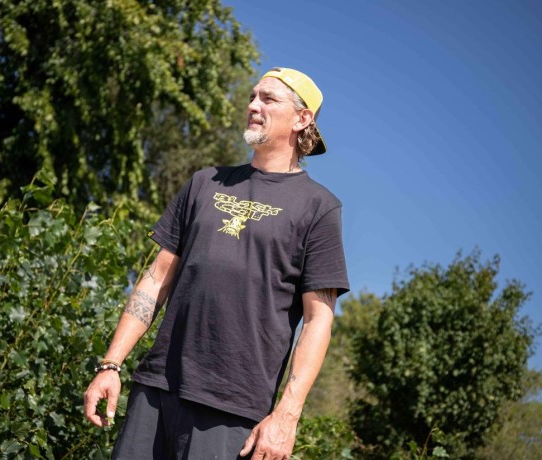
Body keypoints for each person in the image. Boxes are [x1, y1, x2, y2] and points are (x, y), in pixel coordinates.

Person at [84, 67, 350, 459]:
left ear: (302, 118)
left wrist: (287, 415)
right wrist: (111, 365)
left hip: (233, 409)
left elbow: (317, 321)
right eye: (252, 96)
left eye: (268, 99)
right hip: (157, 389)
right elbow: (155, 279)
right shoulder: (205, 183)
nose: (253, 105)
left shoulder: (318, 207)